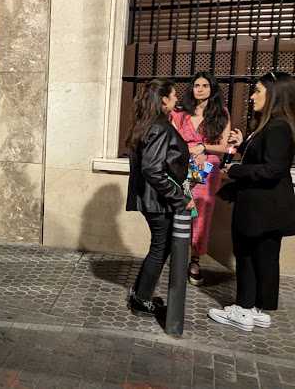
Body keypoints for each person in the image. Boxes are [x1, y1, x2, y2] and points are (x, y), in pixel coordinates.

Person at [208, 71, 295, 332]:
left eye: (257, 91)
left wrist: (233, 171)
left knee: (247, 256)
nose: (252, 97)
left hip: (261, 208)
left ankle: (243, 309)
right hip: (265, 208)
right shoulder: (272, 125)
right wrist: (243, 143)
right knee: (264, 258)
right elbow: (263, 157)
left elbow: (271, 169)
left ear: (274, 94)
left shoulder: (278, 127)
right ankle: (258, 309)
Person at [125, 79, 195, 317]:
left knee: (159, 248)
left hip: (155, 199)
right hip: (158, 201)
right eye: (174, 95)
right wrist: (180, 198)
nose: (177, 99)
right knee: (159, 248)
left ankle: (140, 294)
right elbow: (152, 169)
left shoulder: (150, 124)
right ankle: (141, 299)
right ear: (163, 99)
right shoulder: (159, 127)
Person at [170, 72, 231, 285]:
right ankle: (176, 255)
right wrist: (188, 151)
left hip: (208, 168)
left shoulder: (221, 113)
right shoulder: (181, 113)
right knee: (180, 207)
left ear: (212, 88)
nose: (200, 89)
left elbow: (225, 147)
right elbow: (173, 141)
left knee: (201, 213)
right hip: (183, 166)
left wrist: (204, 146)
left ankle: (195, 260)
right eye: (196, 85)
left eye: (205, 85)